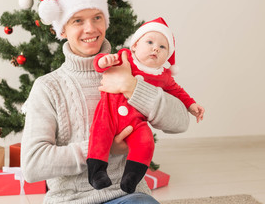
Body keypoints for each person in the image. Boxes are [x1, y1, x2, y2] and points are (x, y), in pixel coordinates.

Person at [21, 0, 190, 204]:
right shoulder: (48, 87)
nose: (90, 28)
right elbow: (33, 165)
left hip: (127, 196)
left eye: (97, 18)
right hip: (71, 200)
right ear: (62, 29)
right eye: (78, 20)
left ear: (106, 21)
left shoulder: (132, 68)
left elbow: (181, 122)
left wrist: (131, 87)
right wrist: (102, 148)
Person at [87, 17, 205, 194]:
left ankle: (131, 177)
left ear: (167, 56)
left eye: (162, 47)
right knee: (100, 136)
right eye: (149, 42)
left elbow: (178, 92)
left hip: (136, 121)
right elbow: (101, 61)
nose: (155, 48)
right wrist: (104, 62)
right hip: (108, 113)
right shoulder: (124, 57)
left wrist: (191, 105)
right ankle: (97, 173)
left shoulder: (163, 75)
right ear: (135, 45)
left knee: (146, 141)